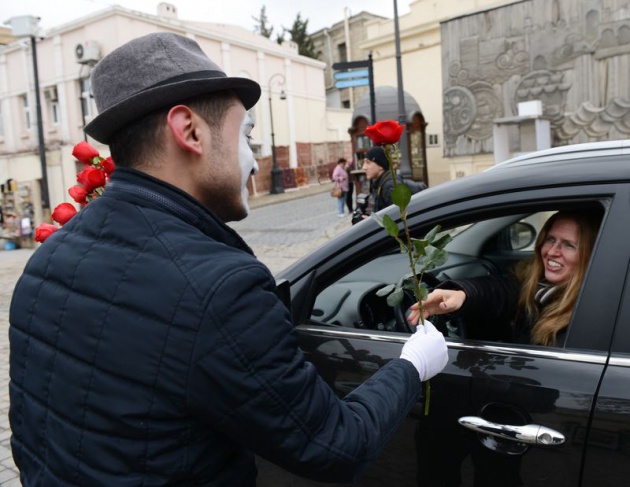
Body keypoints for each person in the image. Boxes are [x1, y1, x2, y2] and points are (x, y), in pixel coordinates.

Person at [9, 32, 448, 486]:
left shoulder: (50, 256)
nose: (255, 161)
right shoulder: (221, 289)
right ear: (189, 131)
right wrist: (412, 364)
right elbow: (336, 446)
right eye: (247, 136)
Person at [409, 209, 602, 346]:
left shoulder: (589, 311)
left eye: (569, 245)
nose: (552, 251)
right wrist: (462, 296)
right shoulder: (534, 283)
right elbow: (500, 290)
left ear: (589, 254)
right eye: (550, 240)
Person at [363, 145, 395, 213]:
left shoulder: (389, 187)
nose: (364, 167)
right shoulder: (381, 183)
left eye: (368, 162)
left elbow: (395, 218)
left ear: (381, 166)